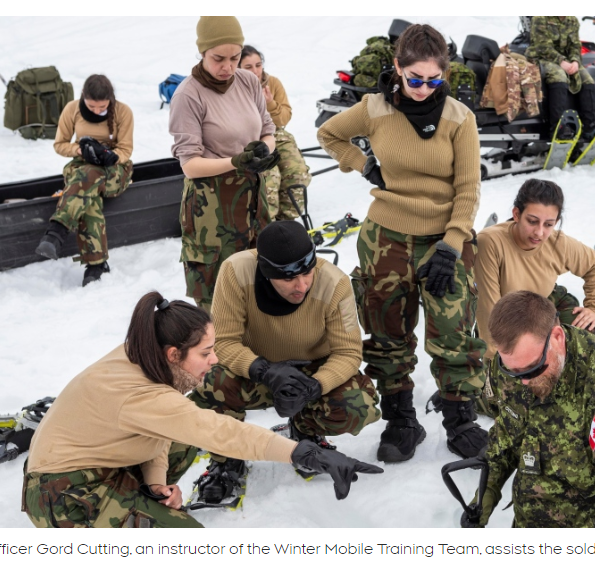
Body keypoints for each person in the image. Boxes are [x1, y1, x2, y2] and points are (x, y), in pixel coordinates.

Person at [22, 291, 381, 528]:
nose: (216, 359)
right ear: (173, 354)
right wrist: (304, 453)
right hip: (63, 492)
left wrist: (155, 484)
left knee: (184, 439)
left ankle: (139, 502)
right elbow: (219, 432)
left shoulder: (144, 351)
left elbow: (161, 429)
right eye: (206, 353)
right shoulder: (138, 392)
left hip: (101, 458)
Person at [317, 24, 487, 463]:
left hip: (444, 240)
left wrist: (451, 245)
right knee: (388, 333)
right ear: (397, 67)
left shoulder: (458, 119)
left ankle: (460, 419)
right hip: (385, 239)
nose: (423, 89)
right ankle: (400, 420)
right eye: (414, 79)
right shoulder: (373, 109)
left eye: (434, 81)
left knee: (453, 334)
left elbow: (468, 189)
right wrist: (363, 164)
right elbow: (329, 134)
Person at [187, 221, 380, 508]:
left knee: (356, 404)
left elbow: (348, 353)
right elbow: (223, 343)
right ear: (266, 272)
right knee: (209, 385)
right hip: (255, 369)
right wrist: (262, 369)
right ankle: (228, 457)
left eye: (307, 272)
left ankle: (305, 430)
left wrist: (315, 387)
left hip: (311, 372)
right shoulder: (236, 272)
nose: (301, 286)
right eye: (288, 279)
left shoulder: (335, 284)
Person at [467, 291, 595, 528]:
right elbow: (506, 438)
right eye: (513, 371)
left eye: (534, 368)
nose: (524, 382)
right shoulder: (514, 366)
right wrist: (484, 497)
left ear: (558, 337)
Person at [169, 16, 280, 311]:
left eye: (235, 57)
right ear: (202, 52)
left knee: (259, 284)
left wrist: (263, 150)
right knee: (217, 299)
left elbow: (268, 131)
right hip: (211, 208)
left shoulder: (247, 82)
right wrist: (234, 161)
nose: (227, 67)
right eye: (218, 58)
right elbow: (190, 164)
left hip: (253, 200)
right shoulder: (188, 96)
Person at [475, 179, 595, 411]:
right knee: (510, 403)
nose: (539, 232)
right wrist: (499, 363)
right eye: (532, 221)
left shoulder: (558, 243)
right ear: (516, 214)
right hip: (503, 319)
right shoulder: (490, 242)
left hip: (541, 308)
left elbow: (594, 264)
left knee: (588, 339)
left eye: (549, 224)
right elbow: (488, 307)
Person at [35, 74, 133, 287]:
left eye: (102, 107)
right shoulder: (72, 109)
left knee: (89, 179)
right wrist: (78, 149)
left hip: (115, 171)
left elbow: (126, 149)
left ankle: (57, 232)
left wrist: (113, 156)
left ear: (110, 100)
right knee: (89, 190)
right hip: (81, 167)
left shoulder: (123, 112)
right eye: (91, 106)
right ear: (83, 98)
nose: (96, 111)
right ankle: (96, 265)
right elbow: (59, 144)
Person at [239, 45, 312, 221]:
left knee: (297, 172)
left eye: (258, 65)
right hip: (249, 140)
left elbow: (284, 119)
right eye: (248, 67)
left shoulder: (273, 83)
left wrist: (270, 103)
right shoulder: (233, 87)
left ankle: (285, 222)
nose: (255, 71)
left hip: (275, 134)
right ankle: (264, 227)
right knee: (269, 179)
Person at [526, 16, 595, 140]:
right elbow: (542, 46)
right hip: (542, 58)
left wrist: (575, 62)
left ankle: (590, 126)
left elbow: (575, 45)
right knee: (559, 76)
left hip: (567, 60)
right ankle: (557, 127)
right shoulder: (540, 18)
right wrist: (562, 62)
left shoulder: (572, 20)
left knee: (587, 80)